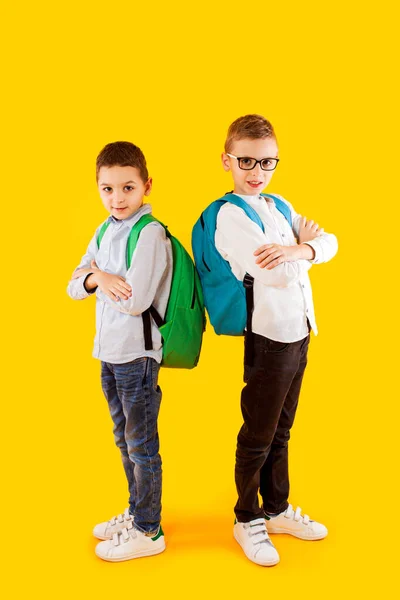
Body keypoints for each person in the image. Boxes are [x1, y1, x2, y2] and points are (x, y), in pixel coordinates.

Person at [215, 114, 338, 566]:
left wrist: (301, 249)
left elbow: (331, 242)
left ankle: (277, 508)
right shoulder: (230, 215)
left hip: (301, 332)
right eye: (246, 160)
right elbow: (279, 275)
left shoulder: (279, 205)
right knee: (258, 435)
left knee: (282, 430)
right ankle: (247, 518)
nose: (257, 171)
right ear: (226, 160)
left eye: (267, 162)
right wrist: (301, 252)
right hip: (268, 338)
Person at [67, 141, 172, 562]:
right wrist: (99, 276)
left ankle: (149, 530)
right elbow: (73, 283)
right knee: (123, 439)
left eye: (127, 187)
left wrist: (97, 279)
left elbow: (136, 300)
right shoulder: (104, 229)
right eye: (107, 189)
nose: (117, 198)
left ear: (147, 186)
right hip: (108, 352)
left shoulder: (150, 233)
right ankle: (136, 511)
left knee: (141, 443)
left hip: (137, 356)